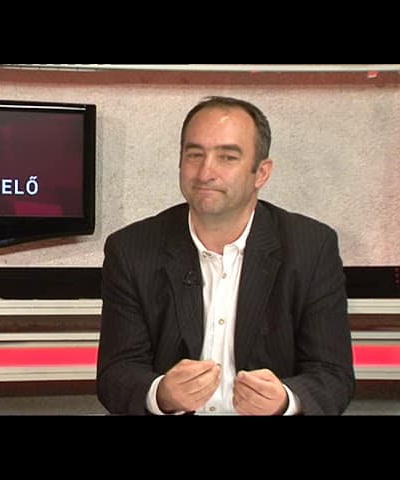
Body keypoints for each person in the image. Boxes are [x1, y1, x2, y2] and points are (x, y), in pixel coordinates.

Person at [96, 96, 355, 415]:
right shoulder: (131, 249)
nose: (206, 172)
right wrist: (160, 394)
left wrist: (286, 401)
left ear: (261, 173)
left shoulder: (311, 247)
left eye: (227, 157)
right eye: (195, 155)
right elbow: (116, 375)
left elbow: (333, 376)